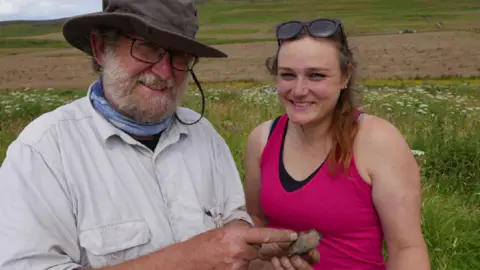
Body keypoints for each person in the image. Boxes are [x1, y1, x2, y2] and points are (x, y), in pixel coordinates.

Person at [0, 1, 319, 269]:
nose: (165, 71)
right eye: (147, 47)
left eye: (179, 54)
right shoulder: (43, 153)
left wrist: (256, 252)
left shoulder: (204, 136)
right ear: (100, 48)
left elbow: (232, 220)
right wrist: (191, 258)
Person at [244, 18, 431, 269]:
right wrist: (264, 255)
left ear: (345, 76)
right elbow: (256, 220)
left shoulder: (377, 141)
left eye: (316, 75)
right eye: (287, 75)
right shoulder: (262, 139)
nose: (299, 90)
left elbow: (407, 248)